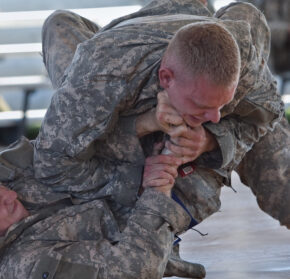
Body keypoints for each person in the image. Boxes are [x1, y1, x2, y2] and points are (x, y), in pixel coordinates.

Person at [32, 0, 289, 233]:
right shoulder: (98, 77)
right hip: (120, 146)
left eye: (222, 104)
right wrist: (141, 129)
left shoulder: (239, 57)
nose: (214, 116)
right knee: (59, 23)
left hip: (195, 159)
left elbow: (268, 113)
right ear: (166, 78)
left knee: (275, 163)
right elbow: (52, 165)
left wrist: (211, 139)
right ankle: (129, 231)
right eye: (201, 105)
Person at [0, 137, 205, 279]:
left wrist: (143, 125)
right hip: (180, 193)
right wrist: (156, 186)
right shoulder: (23, 267)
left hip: (150, 147)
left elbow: (71, 140)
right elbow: (138, 265)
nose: (10, 195)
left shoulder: (7, 168)